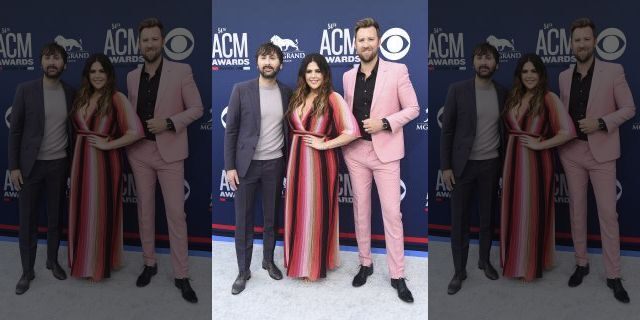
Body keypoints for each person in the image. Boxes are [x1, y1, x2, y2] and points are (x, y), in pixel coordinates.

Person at [126, 18, 203, 303]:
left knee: (176, 215)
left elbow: (197, 108)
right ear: (139, 44)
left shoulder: (182, 71)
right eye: (145, 40)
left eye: (154, 39)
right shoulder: (132, 76)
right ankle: (149, 264)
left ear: (163, 41)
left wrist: (169, 123)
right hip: (139, 153)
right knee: (145, 211)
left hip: (170, 154)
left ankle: (181, 275)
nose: (150, 44)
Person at [558, 18, 635, 303]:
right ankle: (581, 264)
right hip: (572, 153)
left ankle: (613, 275)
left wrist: (601, 122)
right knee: (577, 211)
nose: (582, 44)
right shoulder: (564, 76)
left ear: (595, 41)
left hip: (602, 154)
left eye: (586, 39)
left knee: (608, 215)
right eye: (577, 40)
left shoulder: (614, 71)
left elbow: (629, 108)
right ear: (571, 43)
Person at [342, 18, 419, 303]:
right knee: (361, 211)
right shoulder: (348, 76)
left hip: (386, 154)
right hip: (355, 153)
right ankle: (365, 263)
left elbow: (413, 108)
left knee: (392, 215)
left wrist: (385, 123)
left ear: (379, 40)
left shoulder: (397, 70)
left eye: (370, 39)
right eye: (361, 40)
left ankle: (397, 275)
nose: (366, 44)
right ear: (355, 43)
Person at [283, 53, 359, 281]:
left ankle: (312, 266)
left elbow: (352, 131)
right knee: (297, 210)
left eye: (318, 71)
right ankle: (297, 260)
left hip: (320, 163)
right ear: (303, 75)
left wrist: (325, 144)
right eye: (309, 71)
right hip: (296, 160)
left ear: (325, 74)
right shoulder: (297, 97)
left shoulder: (333, 98)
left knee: (314, 211)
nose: (313, 76)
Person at [67, 53, 144, 281]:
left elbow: (136, 131)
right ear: (87, 75)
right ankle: (81, 261)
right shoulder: (81, 97)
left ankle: (96, 266)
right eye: (93, 71)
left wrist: (108, 143)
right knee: (81, 210)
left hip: (103, 164)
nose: (97, 76)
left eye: (102, 71)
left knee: (98, 212)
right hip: (80, 161)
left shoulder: (117, 98)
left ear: (109, 74)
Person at [499, 53, 575, 282]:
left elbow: (568, 131)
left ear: (541, 74)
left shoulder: (549, 98)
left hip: (535, 164)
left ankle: (528, 266)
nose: (529, 76)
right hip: (512, 160)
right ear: (519, 75)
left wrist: (540, 143)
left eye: (534, 71)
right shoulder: (513, 97)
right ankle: (514, 260)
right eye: (525, 71)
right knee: (514, 210)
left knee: (530, 211)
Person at [224, 42, 291, 295]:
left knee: (272, 218)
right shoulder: (241, 90)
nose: (268, 62)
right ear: (257, 62)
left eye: (272, 58)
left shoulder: (287, 92)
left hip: (275, 164)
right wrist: (230, 166)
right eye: (263, 57)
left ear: (280, 64)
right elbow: (230, 131)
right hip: (246, 167)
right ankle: (243, 271)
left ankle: (268, 260)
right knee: (243, 221)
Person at [8, 43, 75, 295]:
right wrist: (14, 166)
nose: (52, 62)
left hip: (59, 165)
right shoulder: (25, 90)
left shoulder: (71, 92)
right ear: (41, 63)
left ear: (64, 64)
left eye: (56, 58)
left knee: (56, 218)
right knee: (27, 221)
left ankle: (52, 261)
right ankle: (27, 271)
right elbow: (15, 131)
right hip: (30, 168)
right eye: (47, 58)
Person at [440, 42, 507, 295]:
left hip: (491, 165)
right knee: (459, 221)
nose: (484, 63)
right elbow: (446, 131)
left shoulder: (503, 92)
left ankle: (484, 261)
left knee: (488, 218)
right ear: (473, 63)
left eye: (488, 59)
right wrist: (446, 166)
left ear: (496, 64)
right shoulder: (457, 90)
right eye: (479, 58)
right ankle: (459, 271)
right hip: (462, 168)